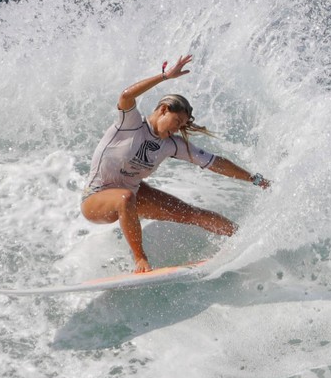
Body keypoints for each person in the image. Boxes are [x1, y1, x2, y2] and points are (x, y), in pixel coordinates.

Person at [81, 54, 270, 273]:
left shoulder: (171, 144)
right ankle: (140, 260)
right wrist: (164, 76)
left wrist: (254, 179)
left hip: (133, 195)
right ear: (163, 110)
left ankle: (243, 239)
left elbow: (215, 163)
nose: (177, 129)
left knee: (192, 213)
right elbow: (126, 96)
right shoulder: (130, 125)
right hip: (96, 198)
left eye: (181, 126)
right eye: (176, 121)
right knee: (125, 197)